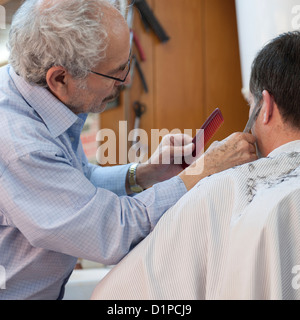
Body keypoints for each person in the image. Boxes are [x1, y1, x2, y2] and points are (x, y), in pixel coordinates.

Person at [0, 0, 256, 300]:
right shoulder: (20, 146)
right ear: (60, 78)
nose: (126, 81)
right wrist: (199, 174)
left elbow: (73, 182)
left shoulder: (41, 98)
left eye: (128, 64)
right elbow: (110, 231)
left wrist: (144, 174)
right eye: (117, 72)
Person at [91, 31, 300, 300]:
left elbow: (112, 299)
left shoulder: (223, 190)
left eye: (250, 104)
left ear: (267, 106)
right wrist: (143, 173)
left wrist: (198, 175)